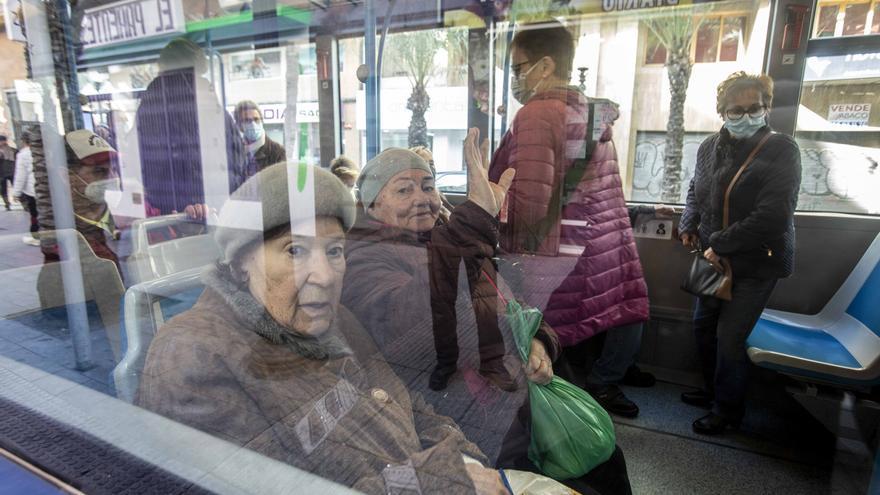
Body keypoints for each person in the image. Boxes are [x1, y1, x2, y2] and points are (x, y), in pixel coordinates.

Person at [138, 163, 511, 494]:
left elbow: (406, 406)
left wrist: (466, 462)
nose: (324, 275)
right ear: (240, 264)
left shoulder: (337, 321)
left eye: (334, 251)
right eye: (294, 251)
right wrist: (441, 481)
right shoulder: (196, 358)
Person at [342, 136, 632, 495]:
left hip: (516, 395)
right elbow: (415, 319)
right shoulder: (362, 258)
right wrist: (471, 223)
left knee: (604, 461)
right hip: (467, 417)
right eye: (403, 190)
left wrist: (540, 340)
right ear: (371, 204)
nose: (422, 197)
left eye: (428, 186)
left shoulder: (444, 239)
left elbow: (511, 304)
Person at [486, 22, 651, 418]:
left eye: (517, 67)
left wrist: (494, 229)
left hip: (556, 263)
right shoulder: (590, 113)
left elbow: (528, 205)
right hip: (597, 253)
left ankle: (559, 439)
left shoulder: (538, 113)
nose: (514, 78)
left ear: (544, 66)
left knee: (550, 369)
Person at [678, 72, 802, 435]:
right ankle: (714, 391)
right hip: (713, 257)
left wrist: (719, 242)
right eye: (737, 109)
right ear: (723, 111)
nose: (746, 116)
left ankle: (727, 410)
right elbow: (695, 189)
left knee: (730, 337)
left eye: (754, 108)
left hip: (755, 262)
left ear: (766, 109)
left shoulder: (782, 150)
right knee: (703, 328)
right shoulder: (709, 147)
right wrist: (689, 222)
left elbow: (773, 217)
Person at [136, 38, 246, 218]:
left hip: (171, 210)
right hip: (217, 205)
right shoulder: (208, 95)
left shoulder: (153, 97)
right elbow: (236, 153)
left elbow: (142, 156)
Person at [233, 100, 285, 175]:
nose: (253, 124)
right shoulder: (235, 151)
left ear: (262, 121)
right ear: (239, 125)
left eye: (256, 119)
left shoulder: (277, 152)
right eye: (247, 120)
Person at [11, 131, 38, 246]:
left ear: (23, 141)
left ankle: (36, 236)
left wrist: (16, 193)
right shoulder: (47, 151)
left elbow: (20, 176)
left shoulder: (23, 154)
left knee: (35, 214)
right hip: (48, 189)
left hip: (33, 190)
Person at [0, 135, 17, 211]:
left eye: (3, 140)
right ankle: (7, 204)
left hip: (12, 172)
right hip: (2, 174)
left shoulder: (13, 150)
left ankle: (24, 203)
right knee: (3, 190)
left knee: (16, 188)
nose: (2, 142)